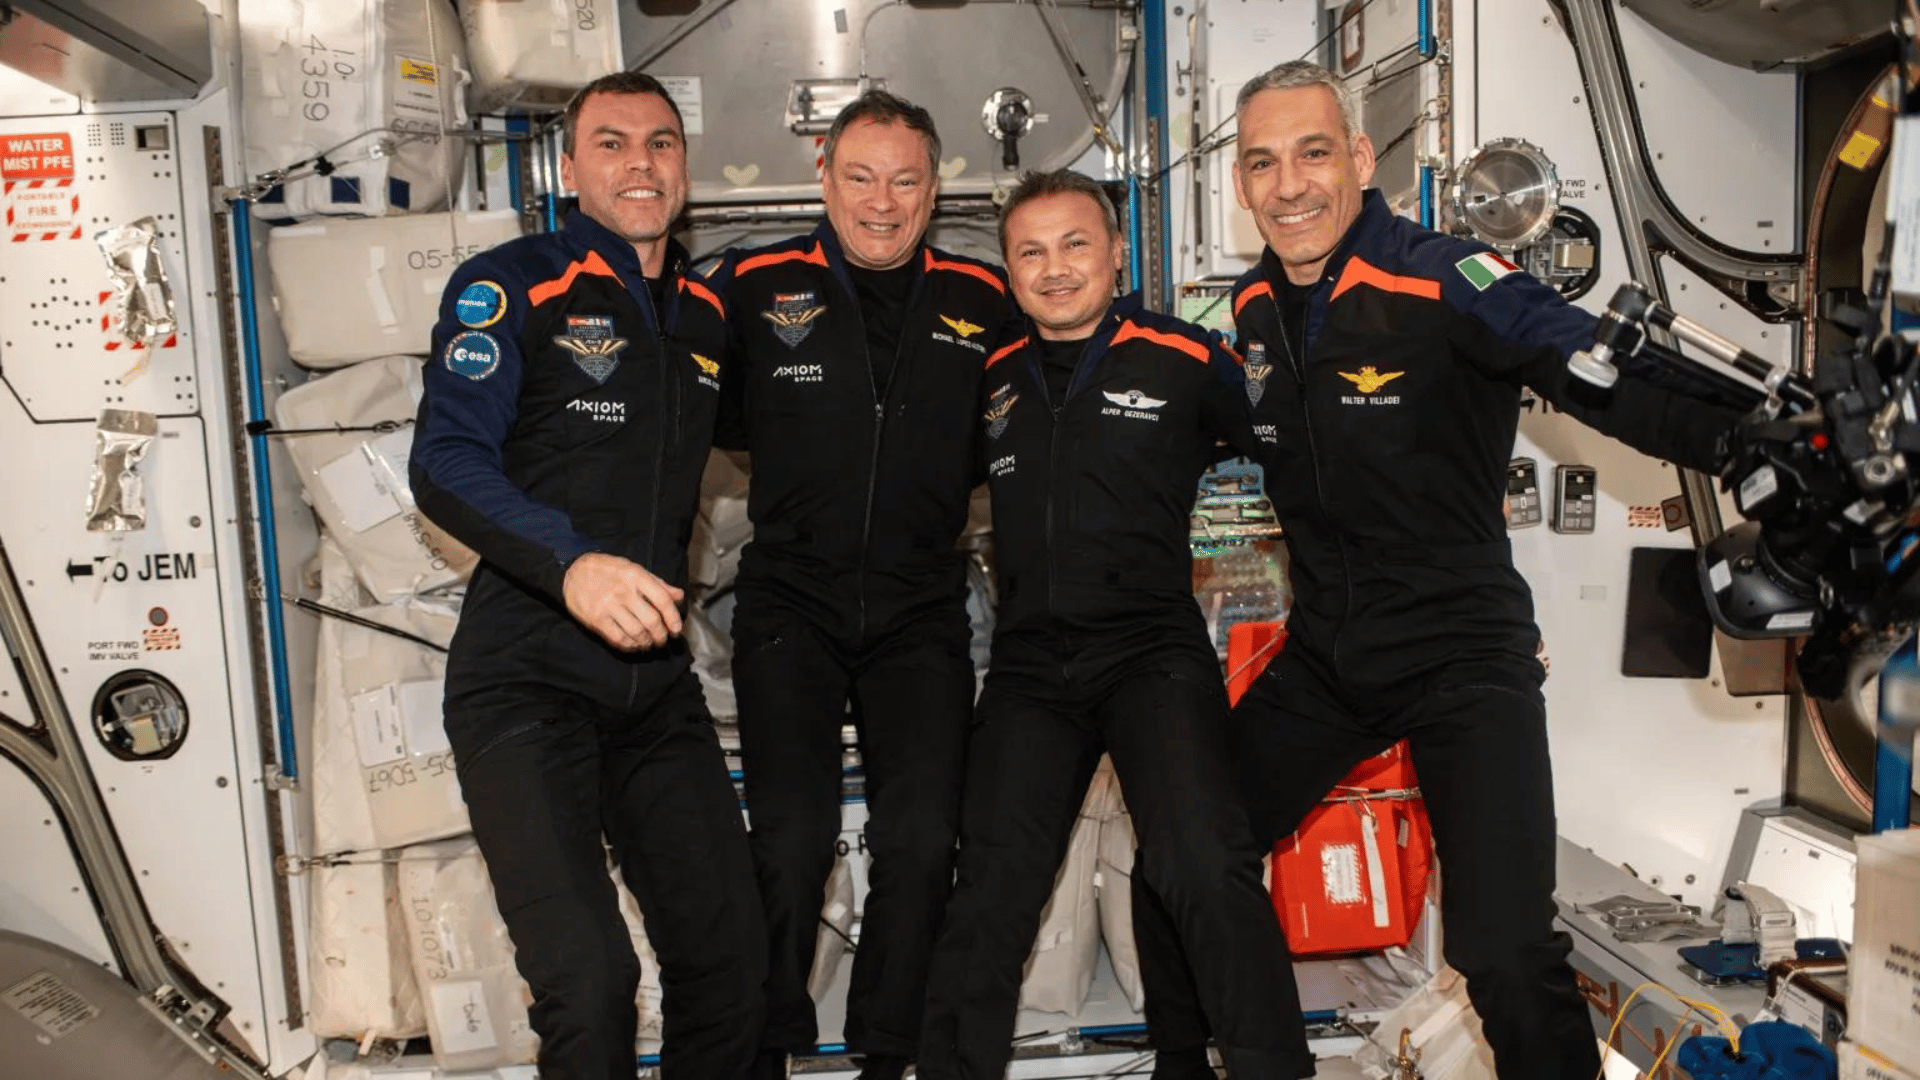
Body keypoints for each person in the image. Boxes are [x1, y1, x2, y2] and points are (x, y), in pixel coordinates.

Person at [1132, 61, 1750, 1080]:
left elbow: (1587, 359)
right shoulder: (1247, 313)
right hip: (1330, 657)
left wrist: (1752, 438)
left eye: (1314, 153)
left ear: (1363, 160)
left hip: (1465, 655)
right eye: (1263, 163)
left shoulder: (1447, 276)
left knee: (1503, 954)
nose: (1290, 185)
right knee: (1180, 865)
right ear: (1238, 188)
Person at [409, 71, 765, 1080]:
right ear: (570, 168)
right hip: (525, 682)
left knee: (734, 967)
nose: (640, 163)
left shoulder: (705, 311)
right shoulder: (512, 285)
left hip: (652, 689)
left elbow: (792, 430)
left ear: (684, 167)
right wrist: (570, 564)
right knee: (590, 984)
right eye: (611, 143)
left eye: (660, 143)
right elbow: (444, 459)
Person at [916, 169, 1309, 1080]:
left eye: (1075, 244)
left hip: (1150, 653)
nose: (1055, 270)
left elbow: (1299, 450)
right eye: (1031, 252)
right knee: (991, 895)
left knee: (1205, 867)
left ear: (1117, 252)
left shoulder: (1181, 356)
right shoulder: (993, 374)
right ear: (1009, 269)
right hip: (1030, 670)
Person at [708, 91, 1017, 1080]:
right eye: (860, 176)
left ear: (935, 187)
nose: (882, 201)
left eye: (905, 179)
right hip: (790, 603)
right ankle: (766, 1046)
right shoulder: (749, 285)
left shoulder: (983, 298)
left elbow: (1019, 437)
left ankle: (892, 1051)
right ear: (822, 176)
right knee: (790, 841)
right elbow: (699, 422)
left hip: (921, 605)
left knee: (924, 840)